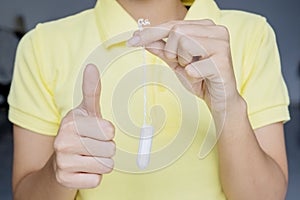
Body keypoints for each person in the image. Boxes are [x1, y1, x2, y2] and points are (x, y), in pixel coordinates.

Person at [8, 0, 290, 199]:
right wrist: (59, 171)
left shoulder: (251, 35)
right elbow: (27, 194)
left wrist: (228, 105)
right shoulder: (42, 45)